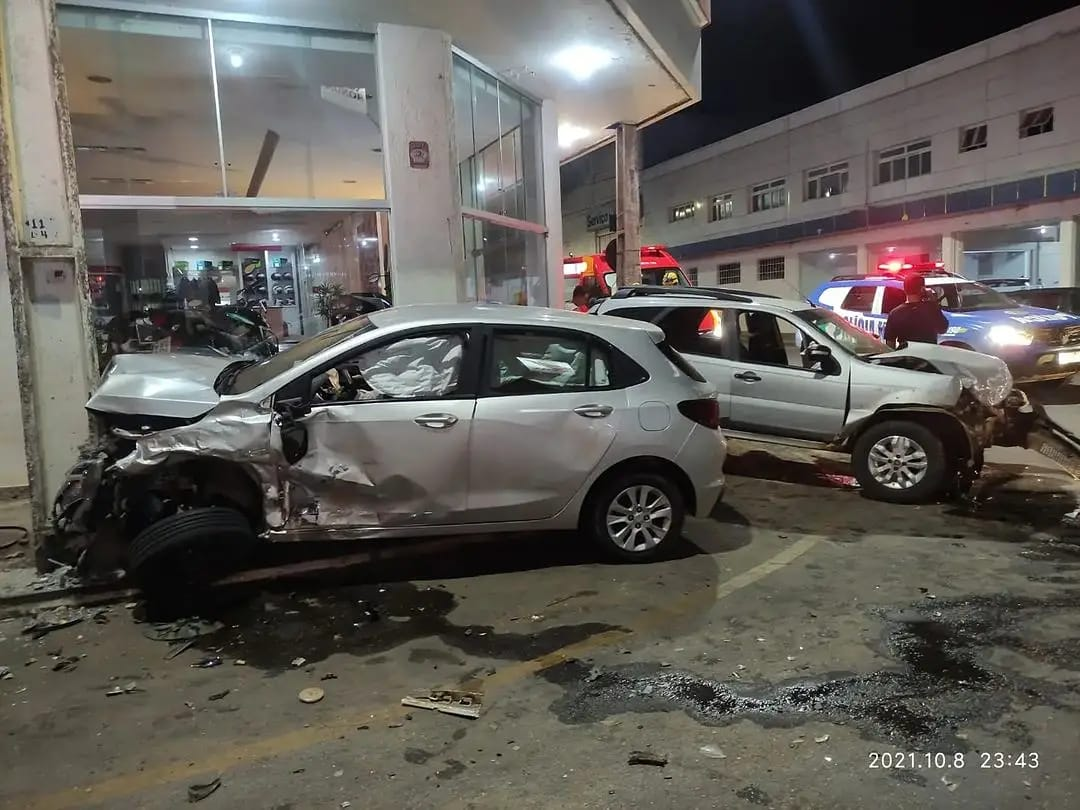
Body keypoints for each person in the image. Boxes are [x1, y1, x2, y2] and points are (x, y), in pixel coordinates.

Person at [883, 273, 948, 349]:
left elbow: (890, 344)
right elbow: (943, 329)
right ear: (922, 289)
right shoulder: (930, 309)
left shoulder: (895, 313)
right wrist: (933, 301)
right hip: (926, 357)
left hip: (906, 357)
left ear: (905, 289)